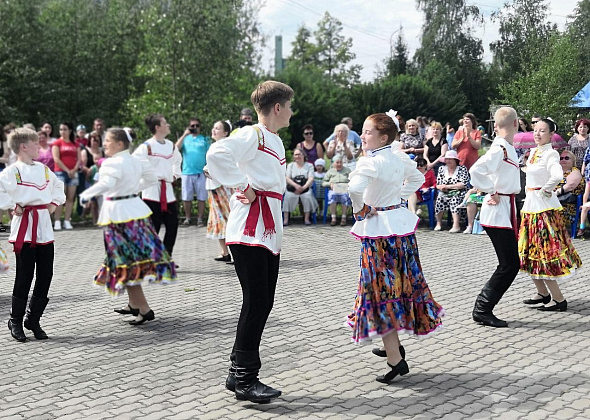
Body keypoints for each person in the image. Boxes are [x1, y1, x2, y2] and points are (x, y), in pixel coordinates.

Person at [207, 80, 294, 404]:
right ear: (277, 108)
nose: (291, 112)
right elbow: (216, 153)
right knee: (256, 302)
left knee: (263, 301)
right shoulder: (252, 134)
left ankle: (236, 373)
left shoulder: (274, 141)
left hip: (267, 228)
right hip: (249, 228)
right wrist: (243, 184)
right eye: (289, 106)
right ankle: (246, 379)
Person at [346, 111, 443, 384]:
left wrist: (362, 209)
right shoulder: (397, 157)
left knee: (379, 292)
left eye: (367, 132)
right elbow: (417, 180)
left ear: (383, 136)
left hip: (379, 231)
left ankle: (395, 359)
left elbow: (354, 189)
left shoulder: (371, 162)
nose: (363, 136)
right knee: (396, 287)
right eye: (363, 131)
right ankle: (393, 348)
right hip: (398, 227)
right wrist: (396, 198)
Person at [79, 128, 177, 325]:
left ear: (120, 144)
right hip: (134, 210)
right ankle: (134, 304)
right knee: (128, 260)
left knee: (125, 262)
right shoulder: (136, 160)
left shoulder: (112, 163)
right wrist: (132, 190)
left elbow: (106, 183)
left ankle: (144, 308)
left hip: (118, 215)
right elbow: (150, 179)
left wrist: (85, 195)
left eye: (108, 141)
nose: (105, 144)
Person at [0, 128, 66, 341]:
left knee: (46, 274)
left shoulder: (43, 169)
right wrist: (13, 205)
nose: (40, 147)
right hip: (25, 226)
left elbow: (58, 186)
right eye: (35, 143)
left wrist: (54, 204)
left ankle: (33, 318)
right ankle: (16, 320)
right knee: (25, 275)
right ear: (23, 147)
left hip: (44, 226)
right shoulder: (12, 171)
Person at [520, 119, 581, 312]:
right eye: (535, 130)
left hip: (543, 210)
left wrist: (545, 190)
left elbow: (556, 176)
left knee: (545, 253)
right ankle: (542, 293)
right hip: (530, 206)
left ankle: (558, 299)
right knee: (528, 252)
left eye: (542, 131)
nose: (537, 134)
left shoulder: (551, 153)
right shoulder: (534, 152)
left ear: (551, 134)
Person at [469, 107, 521, 327]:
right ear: (516, 124)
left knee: (509, 263)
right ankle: (482, 309)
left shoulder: (506, 147)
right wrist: (492, 190)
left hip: (505, 209)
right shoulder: (500, 147)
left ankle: (483, 308)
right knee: (509, 264)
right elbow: (476, 171)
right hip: (498, 211)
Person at [133, 114, 182, 259]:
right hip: (151, 192)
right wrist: (150, 175)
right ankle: (150, 256)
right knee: (153, 227)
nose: (168, 125)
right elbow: (136, 162)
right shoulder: (147, 146)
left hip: (168, 192)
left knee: (172, 225)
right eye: (165, 123)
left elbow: (177, 161)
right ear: (157, 127)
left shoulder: (171, 145)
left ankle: (166, 256)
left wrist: (174, 175)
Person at [205, 121, 233, 263]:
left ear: (225, 133)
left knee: (228, 218)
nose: (214, 130)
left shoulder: (226, 146)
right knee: (217, 219)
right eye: (214, 127)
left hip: (223, 187)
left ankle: (234, 252)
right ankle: (224, 252)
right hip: (213, 187)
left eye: (218, 128)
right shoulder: (214, 145)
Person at [176, 117, 210, 227]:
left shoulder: (204, 139)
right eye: (192, 126)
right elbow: (175, 148)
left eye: (197, 126)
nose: (194, 128)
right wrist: (184, 134)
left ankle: (200, 219)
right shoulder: (185, 139)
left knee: (202, 197)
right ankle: (187, 218)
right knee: (186, 197)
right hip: (187, 172)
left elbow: (210, 154)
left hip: (201, 173)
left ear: (200, 127)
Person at [52, 121, 82, 230]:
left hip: (74, 173)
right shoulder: (57, 143)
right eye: (61, 129)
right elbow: (56, 158)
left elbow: (79, 159)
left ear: (70, 131)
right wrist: (67, 170)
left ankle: (67, 220)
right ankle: (57, 221)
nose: (62, 132)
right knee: (60, 197)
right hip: (60, 172)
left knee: (70, 198)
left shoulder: (75, 143)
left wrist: (73, 170)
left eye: (65, 129)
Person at [434, 150, 469, 232]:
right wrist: (441, 187)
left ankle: (456, 225)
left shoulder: (462, 169)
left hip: (460, 192)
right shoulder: (442, 169)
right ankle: (438, 223)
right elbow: (438, 184)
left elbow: (463, 184)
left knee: (455, 199)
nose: (448, 161)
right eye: (447, 159)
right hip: (445, 192)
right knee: (440, 198)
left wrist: (448, 186)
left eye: (451, 159)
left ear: (455, 160)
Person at [282, 147, 317, 226]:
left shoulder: (309, 165)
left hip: (305, 187)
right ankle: (286, 219)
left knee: (307, 196)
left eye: (299, 154)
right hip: (293, 188)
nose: (297, 156)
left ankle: (307, 218)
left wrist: (303, 188)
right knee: (288, 196)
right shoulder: (290, 165)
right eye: (295, 155)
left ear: (303, 155)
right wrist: (296, 186)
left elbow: (311, 178)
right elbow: (287, 177)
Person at [555, 150, 584, 228]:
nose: (563, 160)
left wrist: (555, 193)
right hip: (554, 199)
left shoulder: (575, 171)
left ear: (573, 160)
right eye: (561, 158)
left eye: (567, 158)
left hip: (567, 204)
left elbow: (570, 185)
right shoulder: (556, 171)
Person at [322, 155, 351, 226]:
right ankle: (333, 218)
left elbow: (353, 180)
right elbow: (323, 183)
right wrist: (330, 184)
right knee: (332, 195)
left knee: (345, 196)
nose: (339, 164)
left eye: (340, 162)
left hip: (344, 189)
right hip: (334, 189)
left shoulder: (347, 170)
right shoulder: (330, 171)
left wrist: (348, 185)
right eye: (337, 162)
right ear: (333, 163)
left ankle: (344, 218)